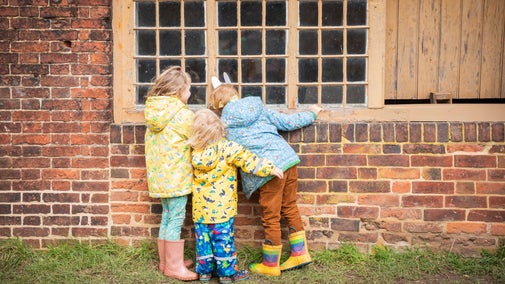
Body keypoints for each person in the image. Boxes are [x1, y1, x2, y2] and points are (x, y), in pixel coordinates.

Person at [209, 84, 323, 277]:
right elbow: (287, 122)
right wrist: (311, 114)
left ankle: (270, 264)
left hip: (268, 171)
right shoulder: (258, 109)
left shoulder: (224, 126)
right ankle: (299, 253)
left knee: (271, 215)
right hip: (287, 159)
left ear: (219, 106)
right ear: (236, 96)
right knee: (289, 206)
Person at [188, 108, 284, 283]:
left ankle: (204, 273)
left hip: (200, 209)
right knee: (223, 241)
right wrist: (270, 168)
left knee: (203, 242)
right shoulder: (228, 147)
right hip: (222, 209)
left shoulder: (195, 152)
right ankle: (226, 274)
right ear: (219, 128)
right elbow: (249, 160)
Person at [144, 65, 198, 281]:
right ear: (178, 92)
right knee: (175, 219)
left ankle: (166, 262)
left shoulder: (154, 110)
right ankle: (174, 267)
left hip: (160, 177)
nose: (190, 93)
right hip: (176, 175)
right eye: (188, 89)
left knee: (167, 217)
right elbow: (198, 136)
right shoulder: (181, 114)